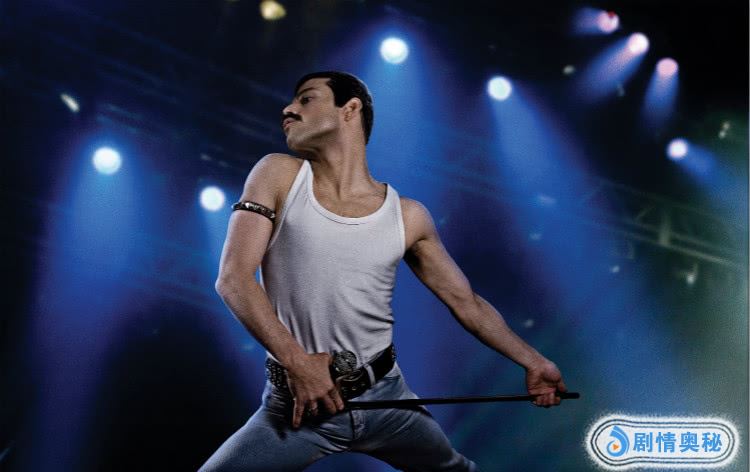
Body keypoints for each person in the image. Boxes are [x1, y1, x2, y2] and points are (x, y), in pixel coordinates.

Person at [200, 71, 567, 471]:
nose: (288, 109)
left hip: (387, 401)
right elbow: (234, 279)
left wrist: (534, 362)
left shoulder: (408, 216)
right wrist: (298, 362)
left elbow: (467, 303)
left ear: (350, 109)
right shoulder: (277, 173)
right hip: (298, 406)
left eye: (306, 99)